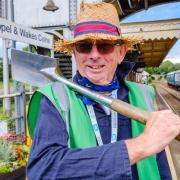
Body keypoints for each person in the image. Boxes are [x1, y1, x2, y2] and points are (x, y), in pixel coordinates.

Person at [27, 2, 180, 180]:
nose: (94, 55)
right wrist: (140, 146)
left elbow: (159, 163)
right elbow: (43, 168)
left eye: (104, 45)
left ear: (121, 52)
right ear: (75, 53)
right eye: (84, 46)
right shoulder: (55, 98)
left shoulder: (144, 94)